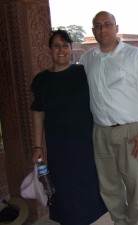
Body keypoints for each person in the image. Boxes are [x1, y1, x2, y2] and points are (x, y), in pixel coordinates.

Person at [79, 11, 138, 225]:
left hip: (131, 131)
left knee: (135, 184)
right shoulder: (87, 59)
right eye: (97, 26)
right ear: (93, 32)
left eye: (107, 24)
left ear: (116, 28)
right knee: (108, 185)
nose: (102, 30)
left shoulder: (135, 56)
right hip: (100, 132)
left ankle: (136, 222)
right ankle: (119, 221)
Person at [30, 29, 107, 225]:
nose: (61, 50)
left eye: (65, 45)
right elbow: (38, 113)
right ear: (50, 49)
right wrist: (38, 147)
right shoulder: (41, 80)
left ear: (71, 49)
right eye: (56, 46)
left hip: (84, 142)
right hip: (58, 144)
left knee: (86, 186)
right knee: (63, 188)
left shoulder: (82, 73)